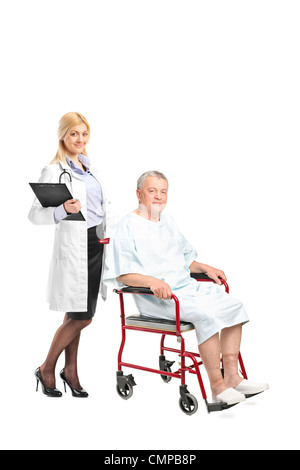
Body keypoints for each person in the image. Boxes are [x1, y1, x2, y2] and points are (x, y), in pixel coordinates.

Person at [104, 171, 268, 406]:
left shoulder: (168, 222)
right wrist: (151, 281)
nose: (158, 197)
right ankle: (217, 387)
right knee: (206, 315)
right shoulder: (127, 226)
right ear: (139, 194)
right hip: (157, 298)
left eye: (163, 192)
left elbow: (185, 260)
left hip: (187, 289)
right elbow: (123, 273)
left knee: (233, 305)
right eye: (152, 191)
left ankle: (232, 376)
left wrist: (206, 268)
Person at [29, 112, 109, 398]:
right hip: (76, 246)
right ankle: (47, 367)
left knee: (76, 311)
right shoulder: (53, 170)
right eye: (74, 134)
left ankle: (71, 370)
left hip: (97, 243)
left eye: (84, 134)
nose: (80, 140)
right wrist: (63, 211)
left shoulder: (89, 167)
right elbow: (34, 215)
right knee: (82, 317)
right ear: (63, 135)